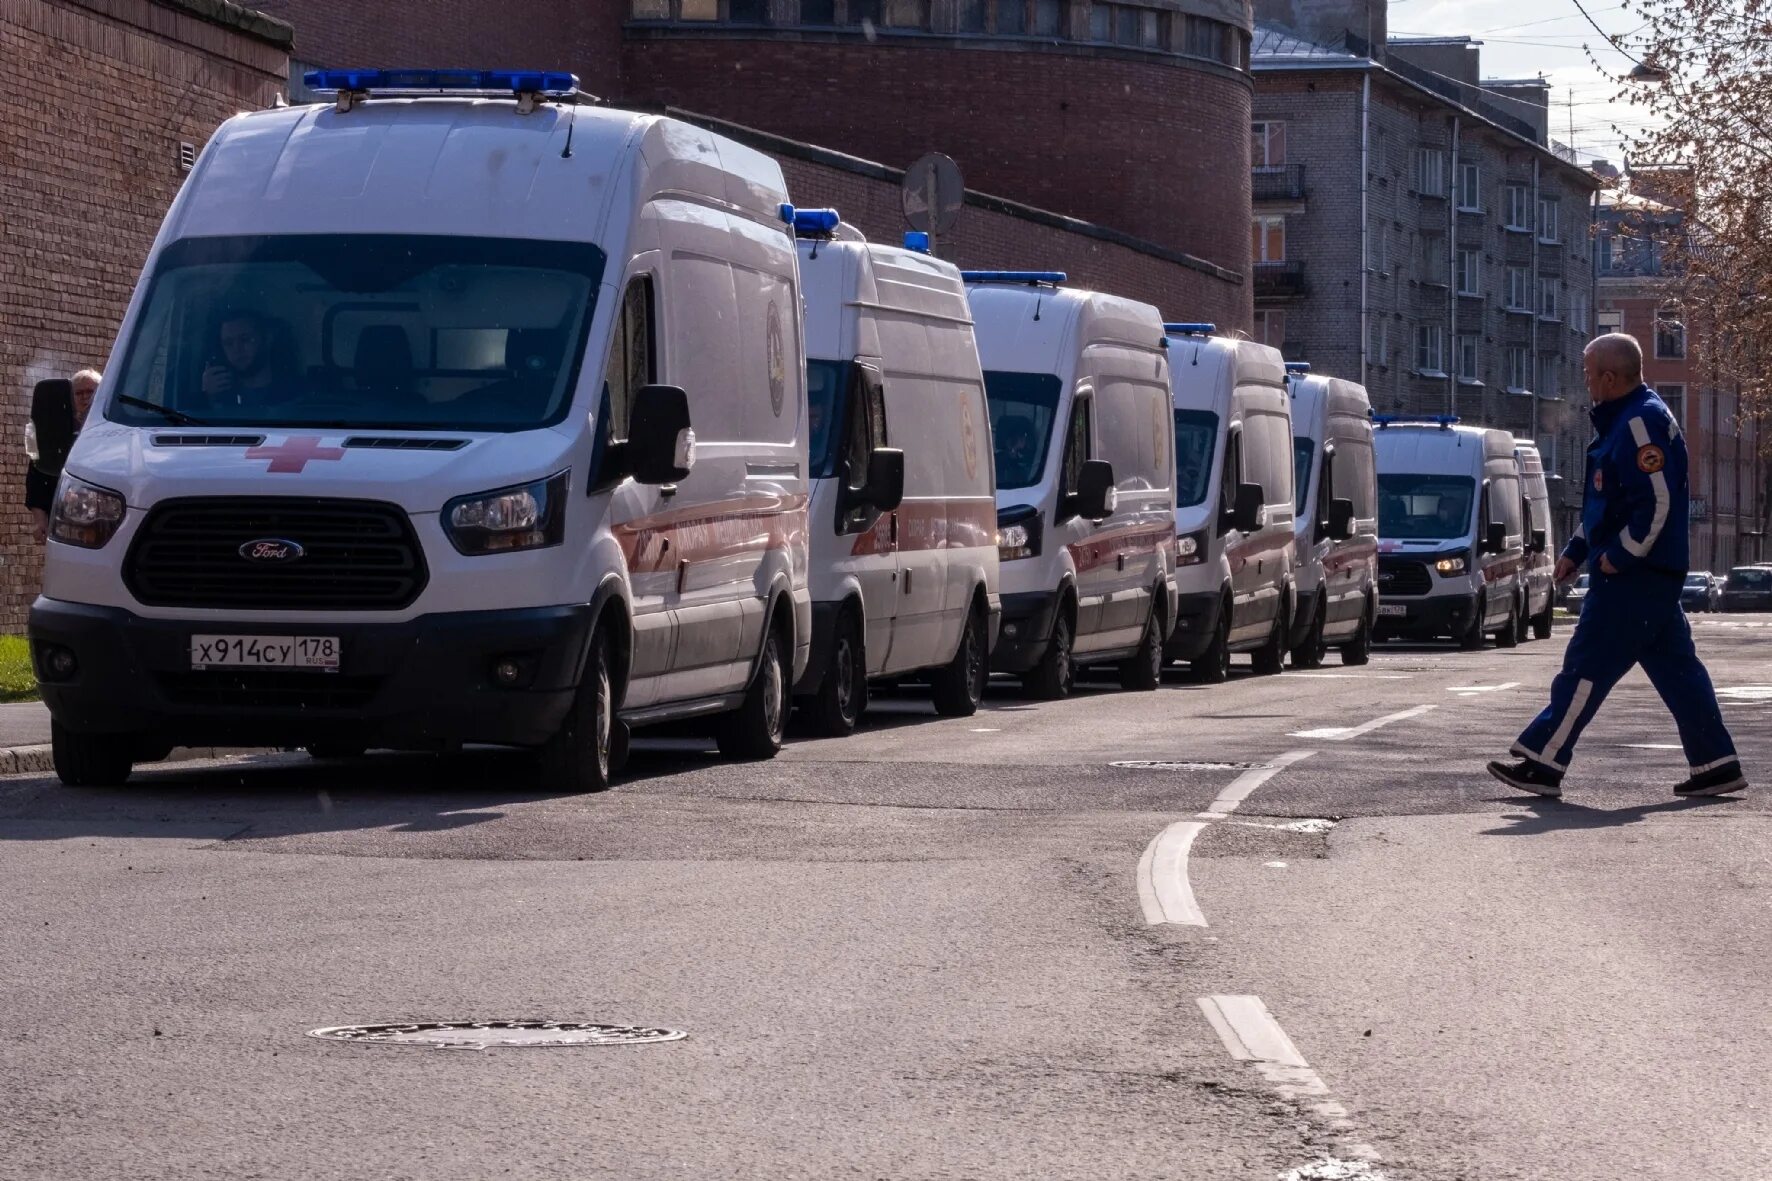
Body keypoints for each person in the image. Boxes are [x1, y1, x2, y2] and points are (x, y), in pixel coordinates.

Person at [1488, 333, 1745, 798]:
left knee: (1585, 668)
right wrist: (1576, 552)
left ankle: (1544, 760)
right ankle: (1717, 763)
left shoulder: (1640, 424)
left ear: (1609, 377)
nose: (1585, 384)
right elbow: (1606, 507)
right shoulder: (1624, 421)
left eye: (1588, 375)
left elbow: (1657, 503)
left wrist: (1617, 557)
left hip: (1634, 577)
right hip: (1645, 577)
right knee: (1678, 672)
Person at [26, 368, 99, 544]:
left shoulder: (117, 430)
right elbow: (37, 477)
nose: (84, 397)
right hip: (66, 525)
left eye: (90, 391)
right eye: (79, 393)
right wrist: (40, 520)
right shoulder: (53, 435)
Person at [201, 311, 294, 410]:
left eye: (245, 339)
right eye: (228, 343)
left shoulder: (295, 396)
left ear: (267, 339)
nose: (237, 349)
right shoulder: (221, 399)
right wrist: (207, 397)